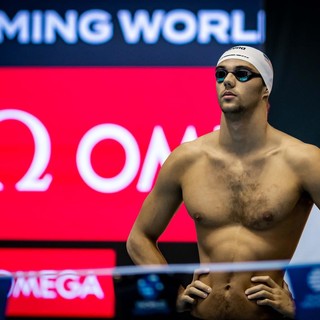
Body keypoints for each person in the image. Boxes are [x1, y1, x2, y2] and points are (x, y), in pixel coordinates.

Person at [126, 45, 320, 320]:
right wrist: (172, 291)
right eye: (220, 74)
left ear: (265, 89)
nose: (228, 81)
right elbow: (139, 238)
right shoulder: (187, 159)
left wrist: (305, 305)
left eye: (242, 74)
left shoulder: (303, 160)